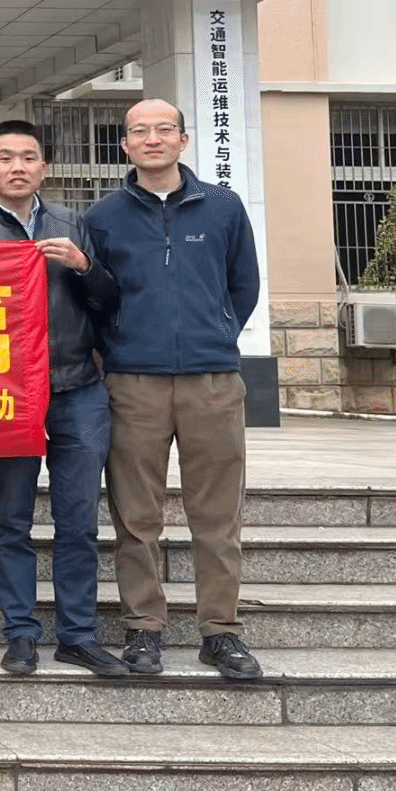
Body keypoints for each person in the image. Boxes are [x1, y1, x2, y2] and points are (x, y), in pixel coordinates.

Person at [86, 99, 264, 681]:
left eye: (165, 129)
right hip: (133, 381)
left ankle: (221, 630)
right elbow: (98, 295)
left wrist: (216, 334)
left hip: (212, 381)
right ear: (125, 145)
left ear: (184, 140)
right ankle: (144, 626)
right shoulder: (104, 215)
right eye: (140, 131)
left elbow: (243, 285)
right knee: (136, 515)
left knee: (217, 513)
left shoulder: (223, 206)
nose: (153, 139)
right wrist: (118, 347)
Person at [0, 121, 128, 678]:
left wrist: (84, 267)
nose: (18, 167)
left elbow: (109, 300)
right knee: (12, 520)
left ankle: (78, 634)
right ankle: (21, 632)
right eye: (6, 157)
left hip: (77, 387)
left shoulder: (72, 224)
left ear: (44, 168)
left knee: (78, 520)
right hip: (7, 394)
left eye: (28, 157)